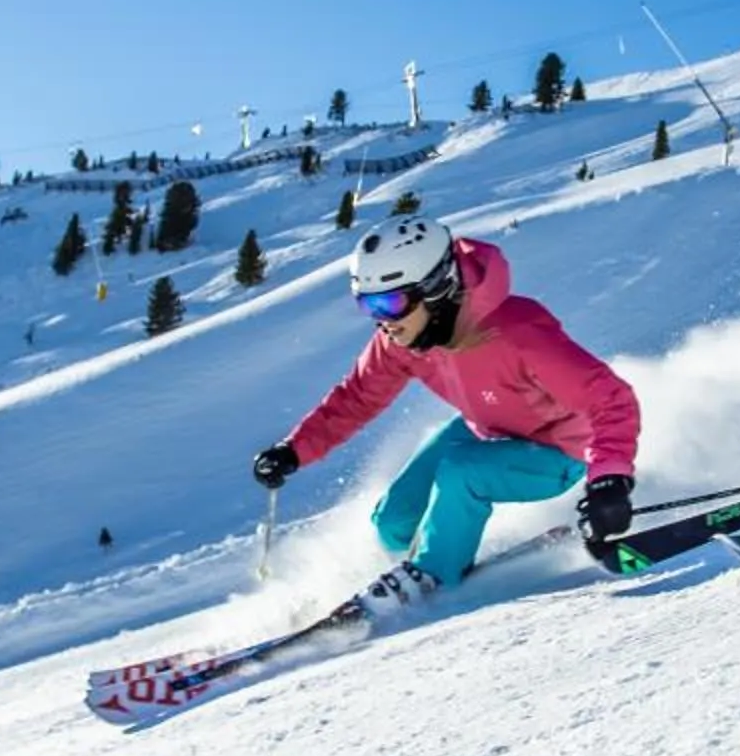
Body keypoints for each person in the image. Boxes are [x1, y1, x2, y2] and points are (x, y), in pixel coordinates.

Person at [251, 216, 641, 607]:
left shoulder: (517, 331)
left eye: (390, 302)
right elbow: (357, 397)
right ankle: (422, 558)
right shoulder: (401, 340)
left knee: (462, 471)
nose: (382, 320)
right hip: (487, 429)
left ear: (435, 288)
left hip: (560, 448)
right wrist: (294, 449)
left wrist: (609, 478)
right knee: (393, 520)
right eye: (367, 304)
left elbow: (610, 399)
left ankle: (432, 577)